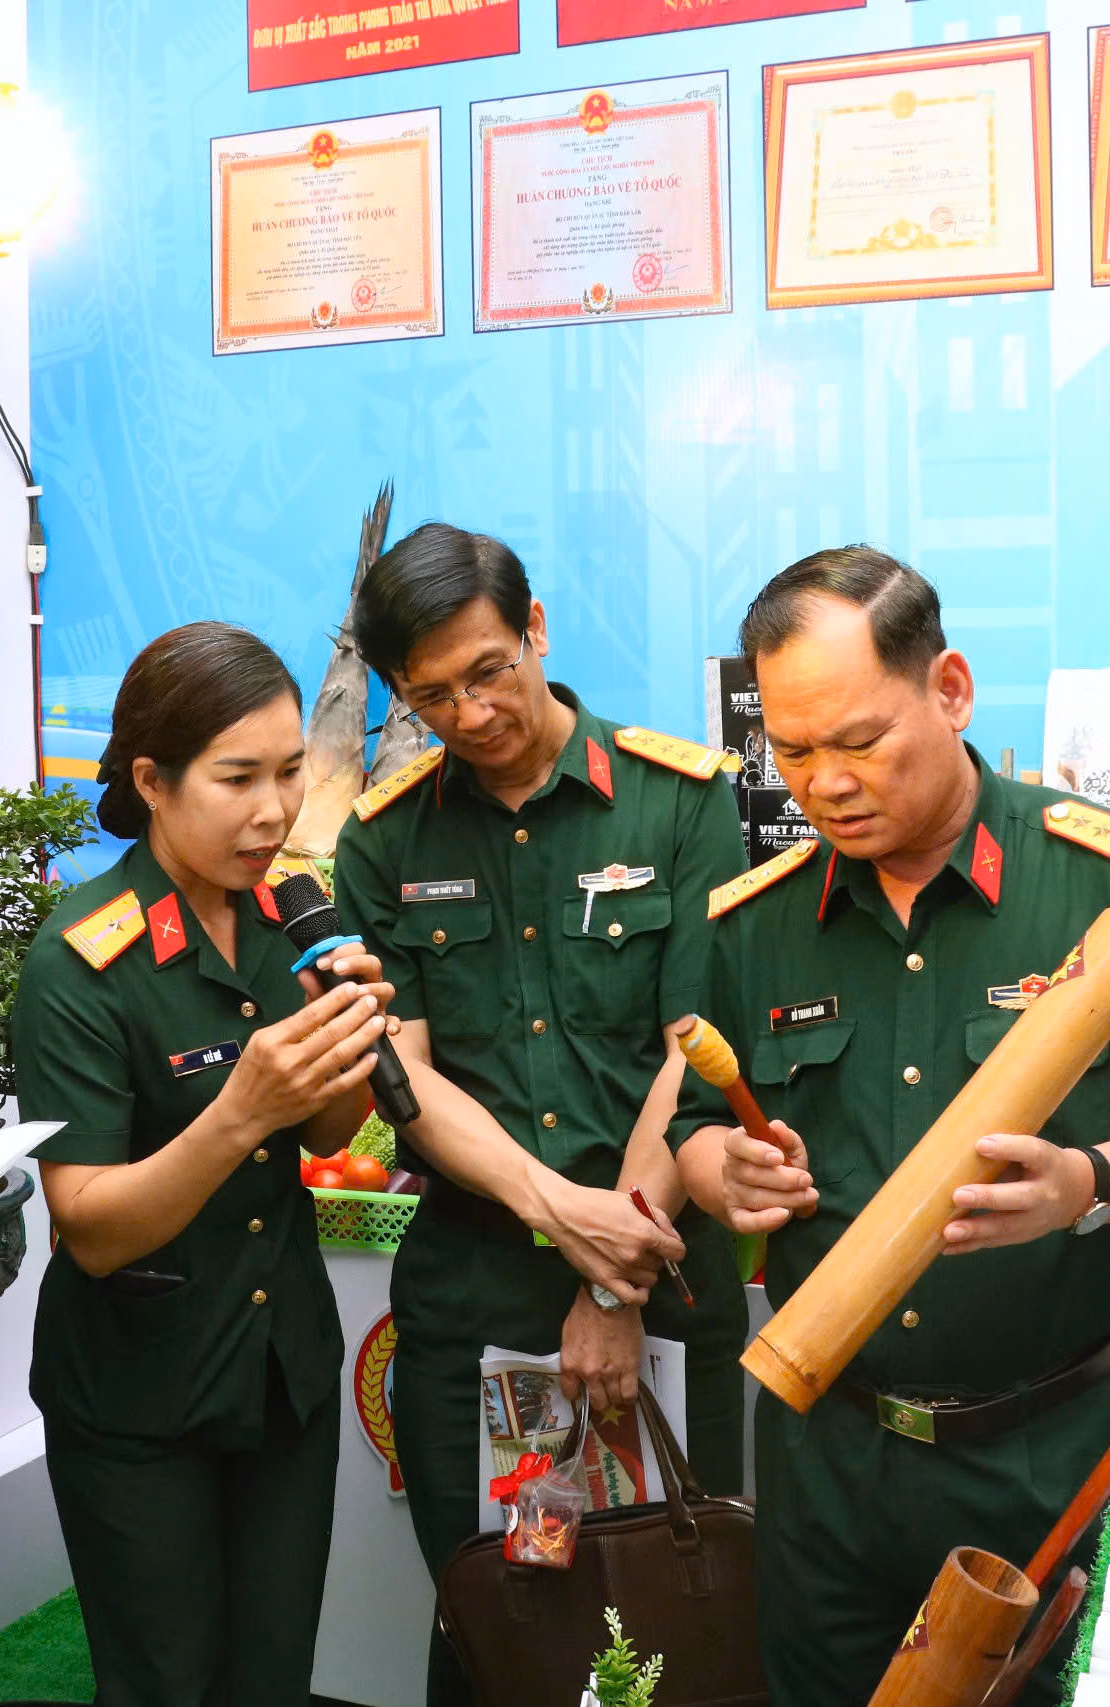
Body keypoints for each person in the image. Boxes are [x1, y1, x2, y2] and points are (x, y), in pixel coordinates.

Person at [671, 548, 1110, 1705]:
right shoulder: (757, 923)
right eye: (790, 752)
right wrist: (721, 1170)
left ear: (948, 690)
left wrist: (1084, 1184)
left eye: (859, 741)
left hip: (1042, 1455)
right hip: (826, 1458)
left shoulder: (1108, 884)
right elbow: (697, 1123)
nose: (824, 783)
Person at [331, 523, 752, 1707]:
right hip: (471, 1294)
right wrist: (560, 1211)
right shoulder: (384, 837)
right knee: (496, 1630)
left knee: (670, 1629)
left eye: (489, 671)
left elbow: (695, 1049)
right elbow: (406, 1076)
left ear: (536, 630)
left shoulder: (676, 803)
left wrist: (612, 1282)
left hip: (663, 1282)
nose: (469, 715)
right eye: (430, 698)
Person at [12, 622, 395, 1707]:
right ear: (152, 781)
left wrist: (354, 1039)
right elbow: (90, 1227)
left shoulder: (288, 919)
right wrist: (240, 1111)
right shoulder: (82, 962)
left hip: (281, 1373)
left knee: (271, 1676)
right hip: (141, 1396)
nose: (274, 810)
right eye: (238, 778)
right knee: (165, 1683)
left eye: (290, 771)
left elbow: (327, 1137)